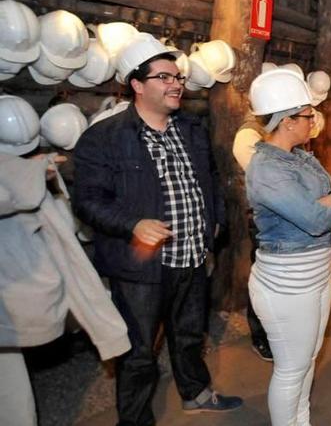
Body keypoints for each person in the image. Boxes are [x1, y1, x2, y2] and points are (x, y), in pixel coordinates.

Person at [73, 33, 241, 424]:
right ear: (136, 84)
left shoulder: (190, 129)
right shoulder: (105, 138)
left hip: (191, 257)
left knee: (189, 334)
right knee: (138, 350)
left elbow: (210, 178)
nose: (176, 84)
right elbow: (88, 201)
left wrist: (213, 220)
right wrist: (132, 223)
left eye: (178, 78)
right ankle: (134, 420)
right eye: (164, 77)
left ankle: (195, 392)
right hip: (140, 268)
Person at [1, 95, 130, 426]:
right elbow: (68, 249)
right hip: (17, 303)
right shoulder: (34, 180)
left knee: (11, 395)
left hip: (12, 306)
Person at [245, 68, 331, 425]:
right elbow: (315, 219)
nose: (313, 121)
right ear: (288, 120)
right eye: (308, 115)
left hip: (315, 277)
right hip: (286, 284)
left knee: (308, 359)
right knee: (292, 368)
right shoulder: (266, 168)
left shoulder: (302, 156)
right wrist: (330, 201)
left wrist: (330, 198)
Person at [231, 115, 273, 361]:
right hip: (262, 218)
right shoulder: (249, 135)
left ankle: (273, 333)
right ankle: (260, 336)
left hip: (274, 216)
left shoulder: (266, 131)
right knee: (264, 279)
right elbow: (266, 179)